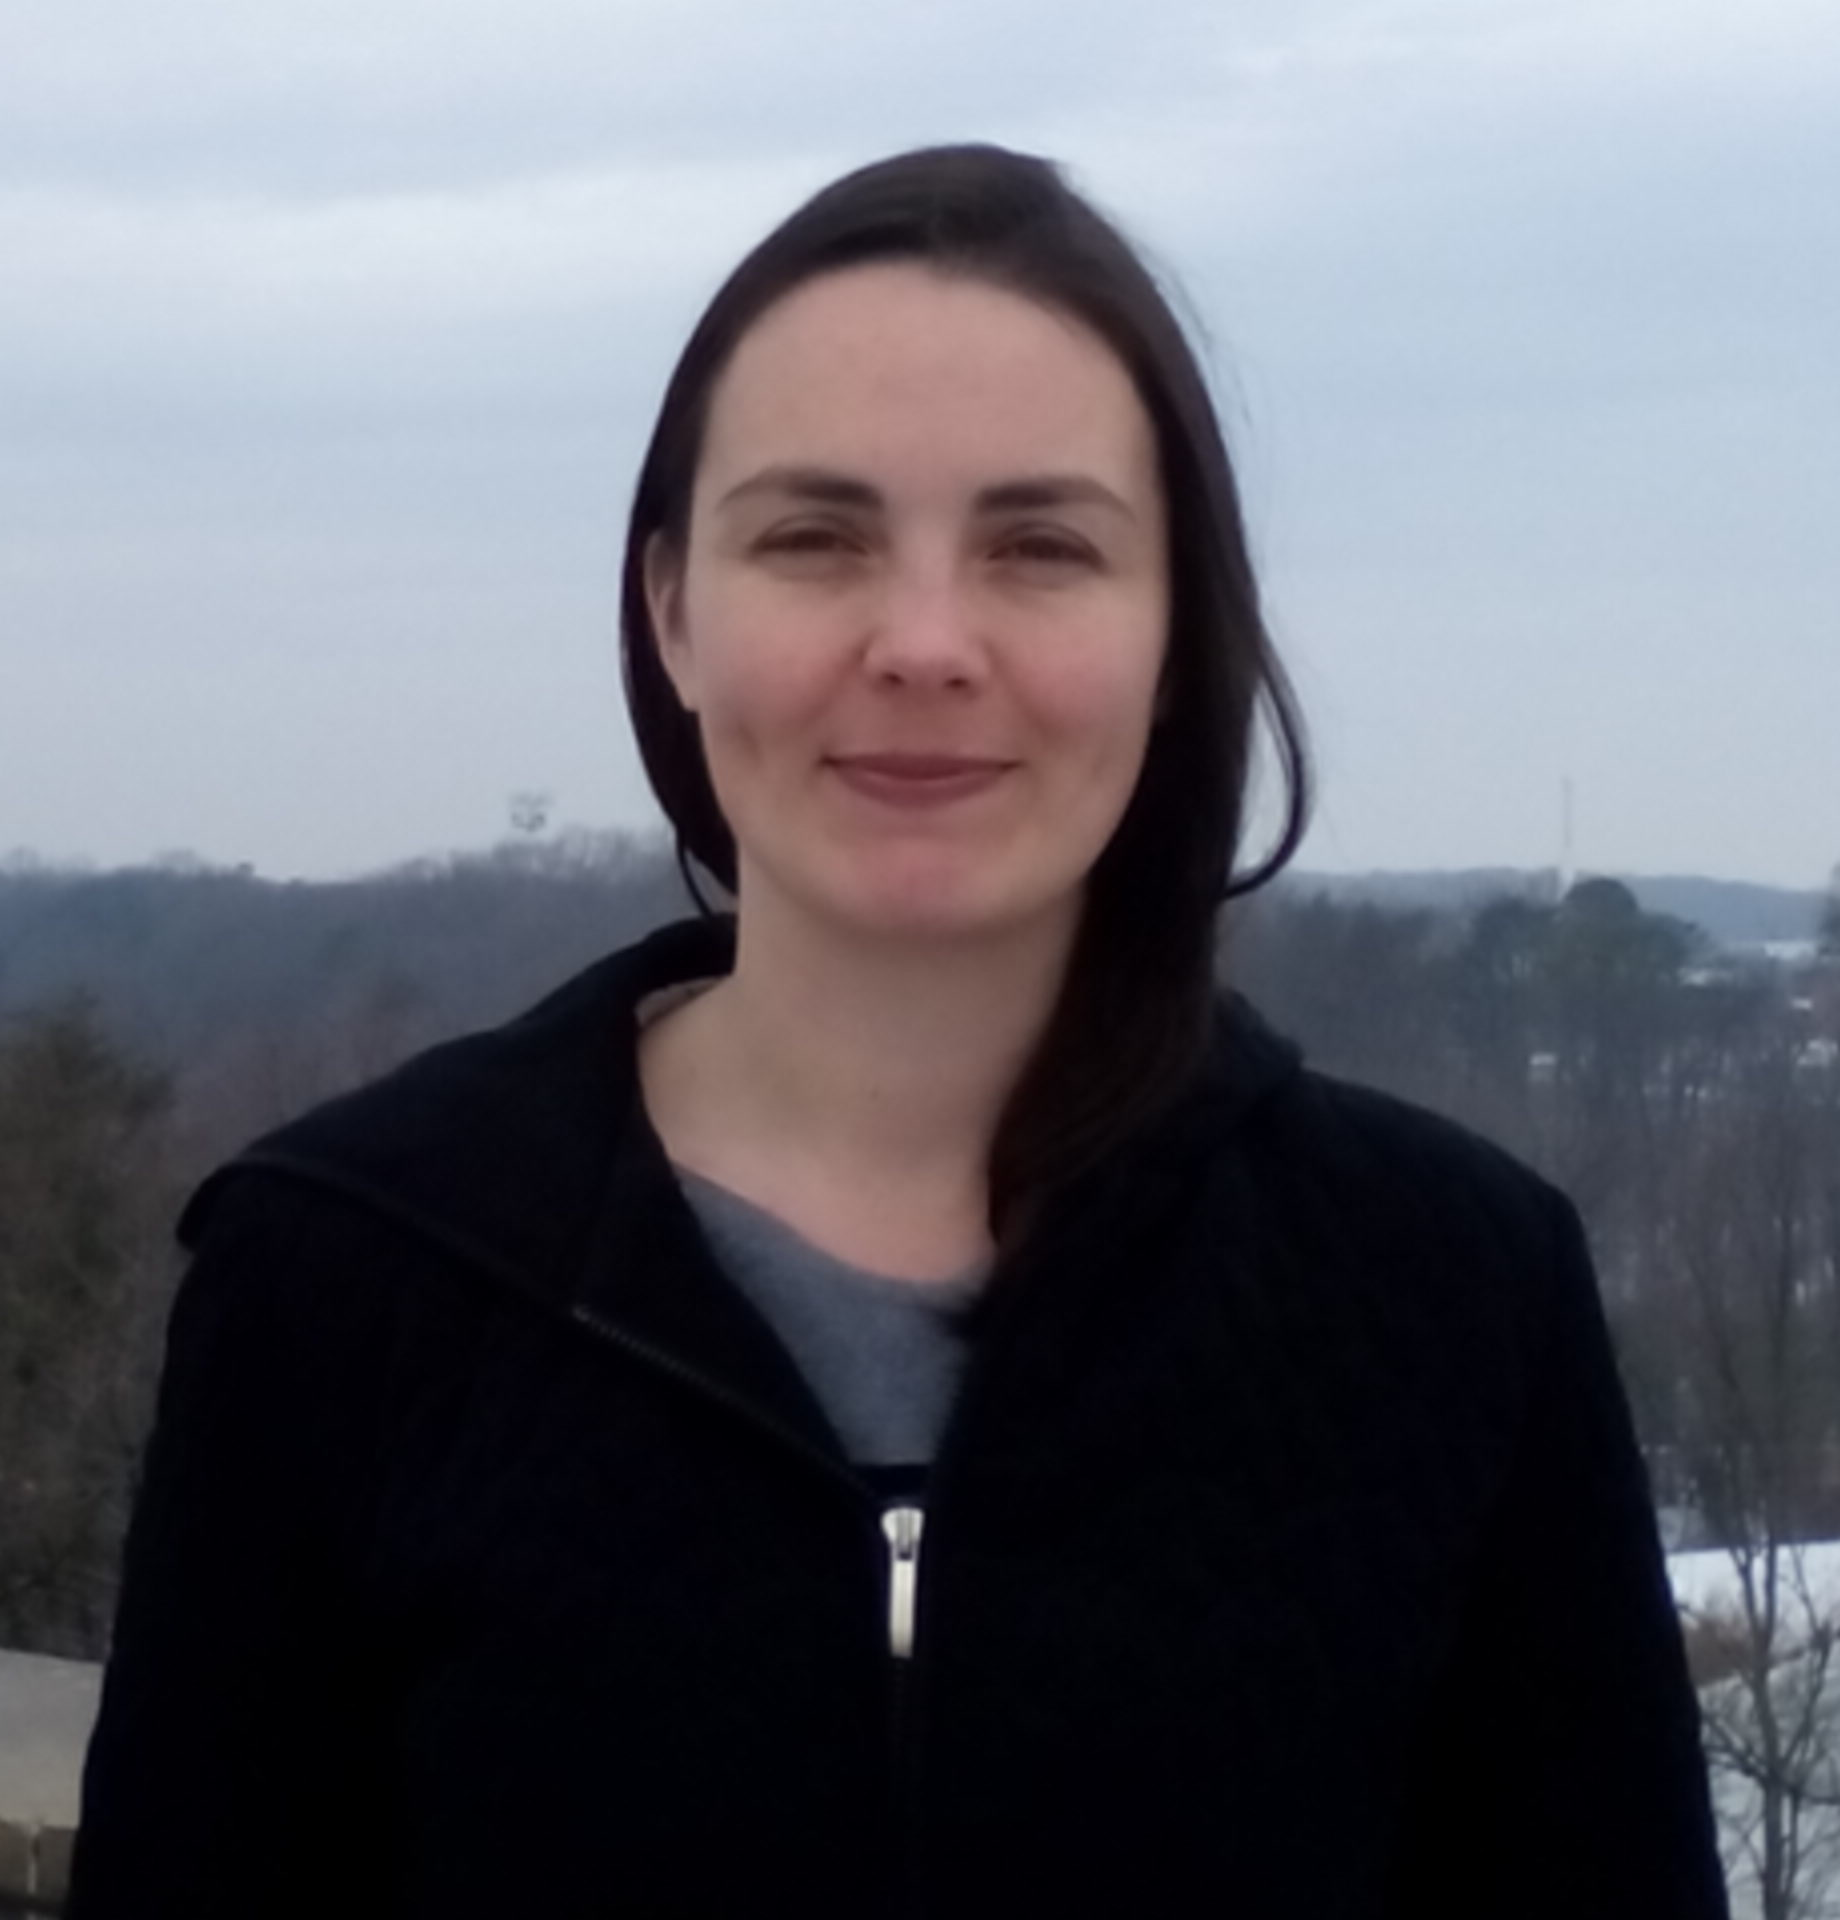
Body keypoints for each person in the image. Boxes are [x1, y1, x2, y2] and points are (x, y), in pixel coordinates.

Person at [69, 145, 1728, 1918]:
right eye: (814, 536)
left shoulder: (1452, 1302)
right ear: (672, 612)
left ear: (1176, 638)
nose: (926, 641)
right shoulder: (346, 1273)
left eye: (1040, 547)